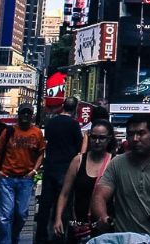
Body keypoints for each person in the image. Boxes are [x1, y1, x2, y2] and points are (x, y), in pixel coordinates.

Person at [91, 113, 150, 243]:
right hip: (126, 239)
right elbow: (99, 195)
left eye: (141, 133)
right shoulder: (117, 163)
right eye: (131, 134)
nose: (135, 139)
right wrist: (103, 217)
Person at [52, 119, 115, 244]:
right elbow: (65, 193)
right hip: (79, 226)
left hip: (103, 227)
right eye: (94, 137)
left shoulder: (114, 162)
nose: (97, 141)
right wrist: (58, 218)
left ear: (109, 139)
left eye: (102, 138)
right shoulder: (78, 161)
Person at [0, 104, 45, 244]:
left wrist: (34, 170)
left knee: (21, 214)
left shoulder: (37, 132)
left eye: (28, 113)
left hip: (25, 179)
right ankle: (6, 241)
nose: (26, 116)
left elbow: (41, 153)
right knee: (6, 214)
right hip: (7, 177)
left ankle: (14, 237)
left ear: (32, 115)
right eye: (23, 113)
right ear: (19, 114)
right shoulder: (9, 131)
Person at [36, 98, 84, 244]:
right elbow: (79, 145)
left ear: (63, 106)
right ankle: (59, 235)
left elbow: (48, 140)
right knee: (63, 202)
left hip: (51, 165)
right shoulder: (74, 125)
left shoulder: (52, 122)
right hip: (67, 167)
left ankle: (41, 237)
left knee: (46, 203)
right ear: (75, 109)